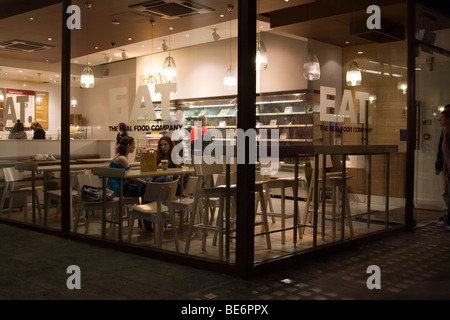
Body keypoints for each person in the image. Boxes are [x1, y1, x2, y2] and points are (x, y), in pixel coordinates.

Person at [435, 104, 450, 221]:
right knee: (445, 190)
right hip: (446, 165)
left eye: (443, 117)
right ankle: (447, 213)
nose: (440, 120)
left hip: (448, 166)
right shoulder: (444, 131)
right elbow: (441, 149)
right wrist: (438, 165)